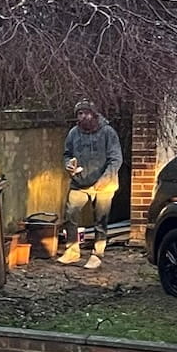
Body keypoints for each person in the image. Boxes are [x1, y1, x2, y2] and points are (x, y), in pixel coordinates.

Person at [58, 100, 123, 269]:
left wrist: (105, 179)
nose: (82, 117)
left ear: (94, 114)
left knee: (101, 219)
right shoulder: (73, 133)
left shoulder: (108, 132)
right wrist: (69, 165)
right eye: (79, 114)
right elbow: (67, 154)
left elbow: (116, 159)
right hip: (80, 182)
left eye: (85, 113)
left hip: (104, 185)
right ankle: (72, 251)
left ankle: (97, 254)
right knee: (70, 214)